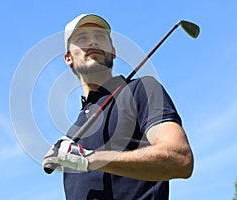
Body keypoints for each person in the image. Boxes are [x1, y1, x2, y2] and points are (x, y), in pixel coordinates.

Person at [43, 13, 194, 200]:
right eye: (82, 38)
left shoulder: (142, 90)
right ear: (68, 58)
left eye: (100, 37)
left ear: (113, 51)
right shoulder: (74, 133)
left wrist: (90, 159)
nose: (93, 43)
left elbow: (180, 158)